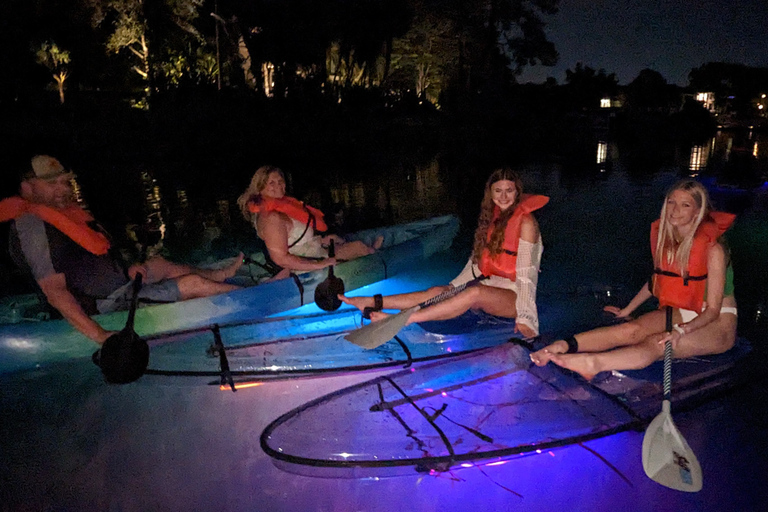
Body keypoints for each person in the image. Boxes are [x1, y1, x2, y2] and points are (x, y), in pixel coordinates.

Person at [1, 155, 243, 344]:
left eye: (64, 182)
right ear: (28, 188)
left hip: (123, 286)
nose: (63, 189)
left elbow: (91, 259)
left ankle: (220, 275)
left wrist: (129, 269)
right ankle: (255, 298)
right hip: (105, 307)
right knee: (192, 284)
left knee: (159, 264)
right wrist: (100, 335)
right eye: (51, 183)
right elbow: (54, 290)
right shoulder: (32, 224)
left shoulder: (62, 216)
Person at [530, 179, 738, 380]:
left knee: (657, 343)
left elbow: (712, 310)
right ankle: (561, 346)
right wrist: (628, 310)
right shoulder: (668, 241)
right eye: (671, 202)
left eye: (685, 205)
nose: (675, 210)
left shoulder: (714, 249)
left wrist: (681, 331)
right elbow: (659, 280)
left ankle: (593, 364)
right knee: (631, 330)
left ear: (698, 211)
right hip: (684, 310)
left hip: (718, 321)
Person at [339, 167, 547, 339]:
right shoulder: (491, 219)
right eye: (498, 191)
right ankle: (371, 301)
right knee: (439, 291)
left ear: (517, 192)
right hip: (491, 285)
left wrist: (527, 317)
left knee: (474, 293)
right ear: (490, 194)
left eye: (509, 191)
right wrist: (452, 287)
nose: (503, 197)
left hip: (515, 296)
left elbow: (527, 275)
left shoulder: (526, 223)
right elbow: (475, 266)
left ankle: (404, 318)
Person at [236, 165, 382, 274]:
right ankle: (377, 258)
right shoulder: (271, 218)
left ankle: (371, 251)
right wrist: (320, 265)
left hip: (312, 251)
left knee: (352, 244)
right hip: (305, 265)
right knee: (358, 247)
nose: (278, 186)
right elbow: (280, 258)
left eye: (280, 181)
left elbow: (292, 240)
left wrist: (322, 240)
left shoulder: (274, 210)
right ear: (260, 189)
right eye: (271, 183)